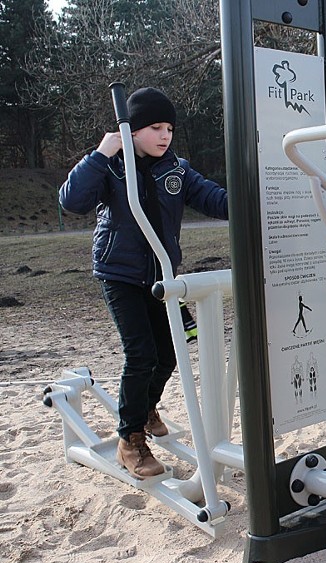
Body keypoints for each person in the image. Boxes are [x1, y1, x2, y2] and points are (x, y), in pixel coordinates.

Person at [58, 87, 228, 480]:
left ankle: (146, 407)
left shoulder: (177, 169)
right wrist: (102, 154)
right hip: (119, 273)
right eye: (155, 127)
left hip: (160, 278)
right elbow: (72, 200)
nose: (165, 134)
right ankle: (130, 438)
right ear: (131, 130)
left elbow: (215, 199)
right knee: (141, 354)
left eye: (169, 127)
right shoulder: (113, 169)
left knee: (169, 353)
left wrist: (255, 197)